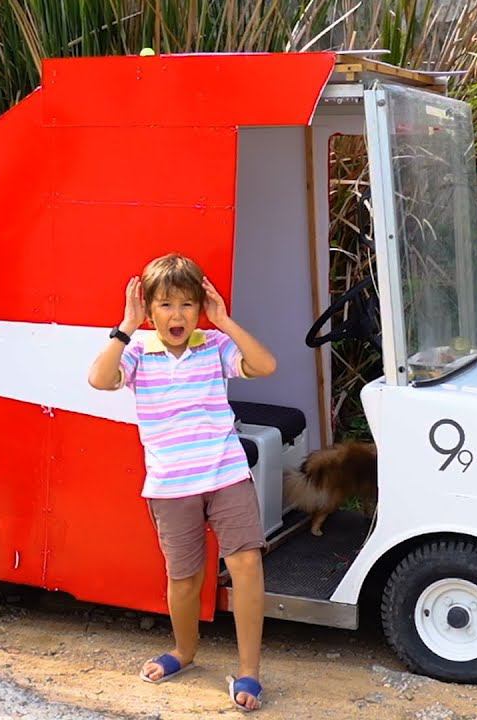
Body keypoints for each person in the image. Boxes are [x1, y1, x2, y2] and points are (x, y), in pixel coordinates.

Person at [87, 253, 277, 711]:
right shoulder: (136, 350)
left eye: (188, 304)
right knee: (185, 578)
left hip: (227, 473)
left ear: (200, 308)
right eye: (166, 304)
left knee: (246, 564)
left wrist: (224, 321)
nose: (178, 315)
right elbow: (99, 379)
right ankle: (184, 651)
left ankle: (250, 672)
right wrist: (126, 326)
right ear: (150, 309)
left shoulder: (214, 344)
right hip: (171, 485)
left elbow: (265, 365)